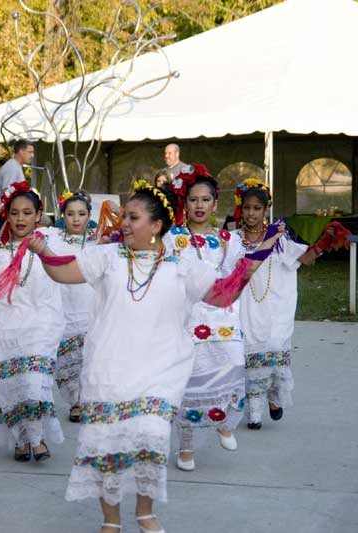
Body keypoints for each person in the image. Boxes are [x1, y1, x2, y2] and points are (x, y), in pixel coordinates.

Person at [26, 180, 283, 533]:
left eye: (133, 217)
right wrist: (42, 251)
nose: (124, 223)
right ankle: (111, 521)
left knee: (150, 436)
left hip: (158, 373)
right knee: (107, 447)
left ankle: (145, 513)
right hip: (109, 372)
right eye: (125, 217)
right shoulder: (107, 257)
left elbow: (222, 297)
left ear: (157, 225)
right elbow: (64, 272)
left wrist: (251, 263)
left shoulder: (181, 265)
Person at [234, 179, 342, 429]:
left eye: (257, 208)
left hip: (274, 308)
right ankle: (255, 413)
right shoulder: (233, 239)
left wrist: (325, 241)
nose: (251, 213)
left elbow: (304, 258)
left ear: (265, 210)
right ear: (241, 208)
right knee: (250, 356)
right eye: (247, 208)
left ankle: (274, 397)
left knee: (273, 352)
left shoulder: (279, 238)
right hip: (246, 307)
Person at [0, 181, 65, 462]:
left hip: (42, 323)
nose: (20, 219)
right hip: (3, 327)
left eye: (27, 213)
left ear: (38, 215)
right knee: (12, 387)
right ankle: (22, 440)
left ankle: (36, 439)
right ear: (6, 215)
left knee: (35, 383)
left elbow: (78, 248)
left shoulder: (51, 240)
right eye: (14, 213)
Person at [163, 165, 246, 472]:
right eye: (194, 199)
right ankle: (185, 448)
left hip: (223, 315)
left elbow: (237, 275)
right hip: (188, 317)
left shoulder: (228, 239)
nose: (199, 206)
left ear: (215, 204)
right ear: (185, 203)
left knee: (233, 364)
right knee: (190, 381)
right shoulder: (172, 237)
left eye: (205, 200)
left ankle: (223, 419)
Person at [40, 190, 98, 423]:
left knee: (90, 358)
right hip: (62, 307)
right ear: (62, 215)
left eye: (81, 214)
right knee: (66, 361)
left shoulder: (99, 238)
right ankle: (74, 400)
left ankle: (87, 399)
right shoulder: (52, 237)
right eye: (70, 214)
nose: (76, 219)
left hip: (91, 307)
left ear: (89, 215)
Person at [0, 140, 34, 234]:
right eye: (30, 152)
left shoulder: (16, 166)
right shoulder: (12, 167)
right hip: (7, 214)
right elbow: (6, 194)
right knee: (45, 220)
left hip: (13, 213)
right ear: (21, 152)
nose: (32, 155)